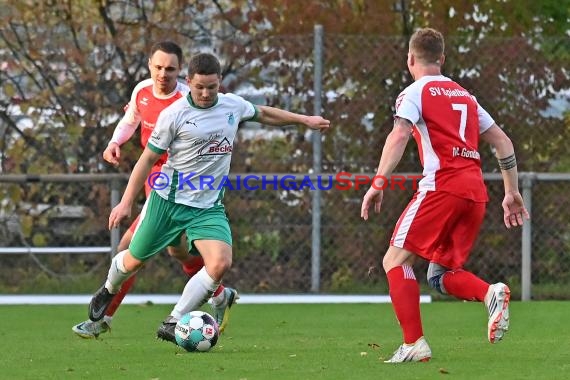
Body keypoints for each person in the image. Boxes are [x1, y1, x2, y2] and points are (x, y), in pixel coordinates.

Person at [86, 52, 331, 344]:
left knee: (219, 264)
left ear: (220, 84)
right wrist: (126, 202)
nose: (205, 93)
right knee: (133, 262)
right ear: (188, 82)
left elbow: (264, 113)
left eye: (212, 87)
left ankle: (174, 319)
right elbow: (146, 159)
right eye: (199, 86)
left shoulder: (231, 105)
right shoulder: (174, 115)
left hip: (207, 207)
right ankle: (108, 288)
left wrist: (304, 120)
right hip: (167, 202)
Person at [360, 28, 530, 363]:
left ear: (410, 59)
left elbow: (399, 134)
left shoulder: (414, 92)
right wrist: (511, 192)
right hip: (475, 192)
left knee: (394, 261)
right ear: (443, 59)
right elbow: (503, 142)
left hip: (441, 187)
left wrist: (378, 183)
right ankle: (489, 293)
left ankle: (413, 344)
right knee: (440, 276)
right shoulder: (466, 95)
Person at [72, 42, 238, 339]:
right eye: (158, 67)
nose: (163, 74)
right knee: (177, 251)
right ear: (150, 65)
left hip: (169, 182)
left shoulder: (186, 102)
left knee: (128, 248)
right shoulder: (143, 91)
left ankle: (102, 318)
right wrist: (114, 142)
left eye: (171, 69)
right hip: (152, 177)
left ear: (182, 74)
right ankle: (218, 294)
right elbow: (131, 119)